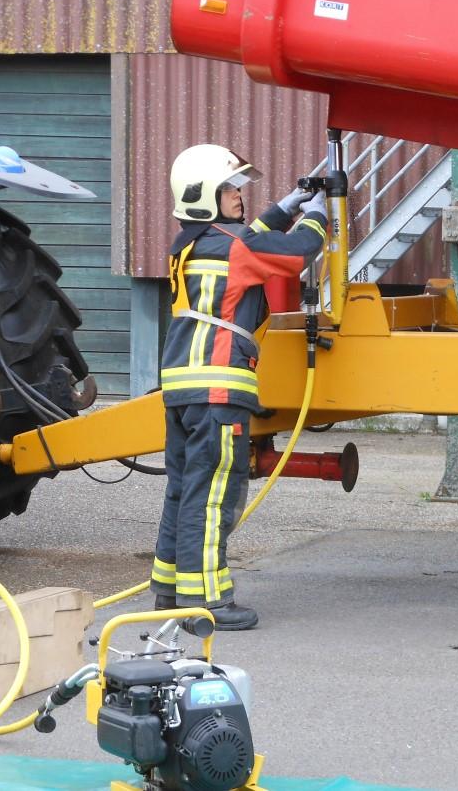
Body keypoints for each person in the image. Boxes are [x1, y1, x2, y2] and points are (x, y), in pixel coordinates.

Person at [150, 143, 327, 630]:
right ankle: (207, 602)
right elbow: (295, 253)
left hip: (182, 387)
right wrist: (318, 214)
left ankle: (169, 591)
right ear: (203, 195)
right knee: (213, 496)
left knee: (183, 490)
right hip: (218, 388)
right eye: (228, 188)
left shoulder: (189, 243)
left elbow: (250, 240)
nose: (238, 195)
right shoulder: (235, 245)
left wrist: (285, 206)